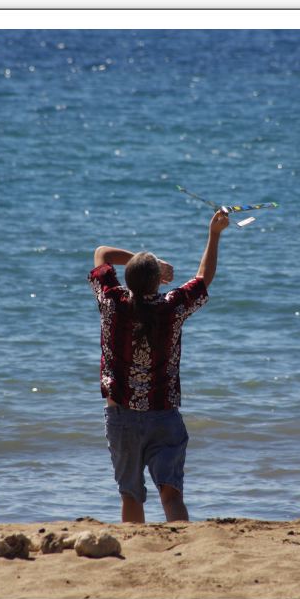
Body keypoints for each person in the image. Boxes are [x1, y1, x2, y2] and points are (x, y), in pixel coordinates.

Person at [89, 209, 229, 523]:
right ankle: (182, 548)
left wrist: (149, 263)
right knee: (171, 493)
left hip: (121, 413)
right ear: (157, 282)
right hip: (164, 413)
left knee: (131, 493)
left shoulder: (111, 301)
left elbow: (102, 253)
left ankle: (138, 550)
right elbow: (203, 279)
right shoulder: (171, 308)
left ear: (127, 279)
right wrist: (214, 234)